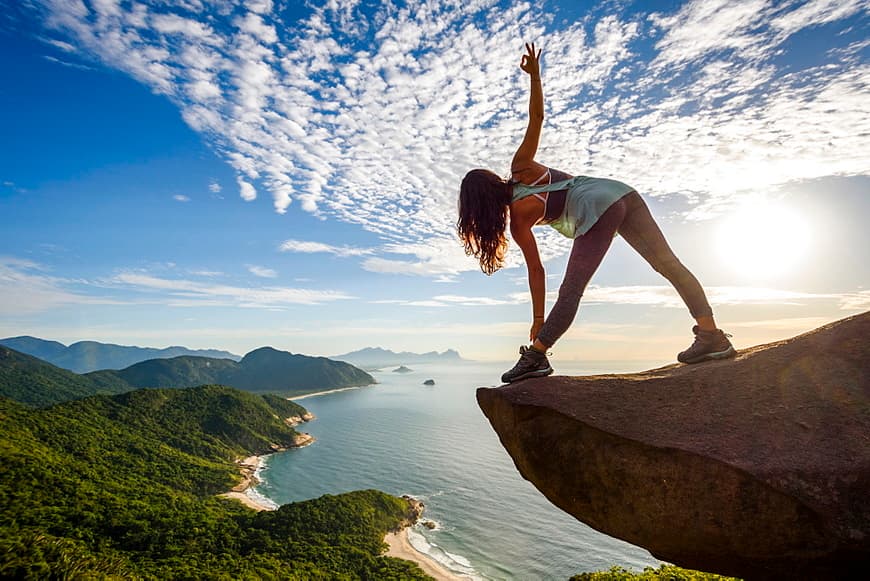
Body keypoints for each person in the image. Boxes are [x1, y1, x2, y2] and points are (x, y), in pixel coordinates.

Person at [457, 43, 736, 384]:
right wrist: (535, 77)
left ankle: (537, 356)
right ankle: (711, 335)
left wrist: (539, 318)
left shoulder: (519, 220)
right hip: (620, 192)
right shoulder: (522, 168)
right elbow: (537, 118)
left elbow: (537, 271)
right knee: (668, 264)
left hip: (596, 209)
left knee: (572, 290)